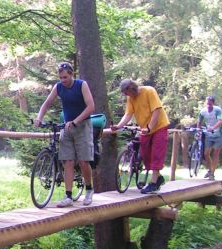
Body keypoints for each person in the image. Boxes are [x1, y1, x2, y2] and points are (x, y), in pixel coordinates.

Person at [34, 62, 96, 207]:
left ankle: (89, 189)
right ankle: (68, 196)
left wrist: (76, 121)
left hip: (83, 125)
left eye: (65, 77)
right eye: (61, 77)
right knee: (67, 161)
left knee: (83, 161)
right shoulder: (58, 87)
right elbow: (47, 103)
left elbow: (91, 107)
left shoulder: (81, 85)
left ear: (71, 74)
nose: (63, 80)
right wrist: (39, 118)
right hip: (67, 126)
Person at [110, 79, 170, 194]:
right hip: (145, 129)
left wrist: (150, 127)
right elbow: (128, 114)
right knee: (144, 154)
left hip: (159, 126)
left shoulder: (149, 91)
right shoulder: (130, 98)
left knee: (157, 153)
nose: (126, 95)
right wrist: (118, 126)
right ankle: (158, 178)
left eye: (126, 92)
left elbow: (157, 110)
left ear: (131, 88)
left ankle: (153, 183)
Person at [197, 95, 222, 180]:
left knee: (216, 153)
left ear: (213, 103)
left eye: (210, 104)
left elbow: (220, 121)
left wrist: (213, 128)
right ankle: (209, 170)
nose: (208, 105)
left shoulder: (217, 110)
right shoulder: (203, 111)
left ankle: (212, 173)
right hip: (209, 134)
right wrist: (198, 130)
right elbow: (199, 122)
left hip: (219, 134)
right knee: (206, 153)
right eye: (207, 104)